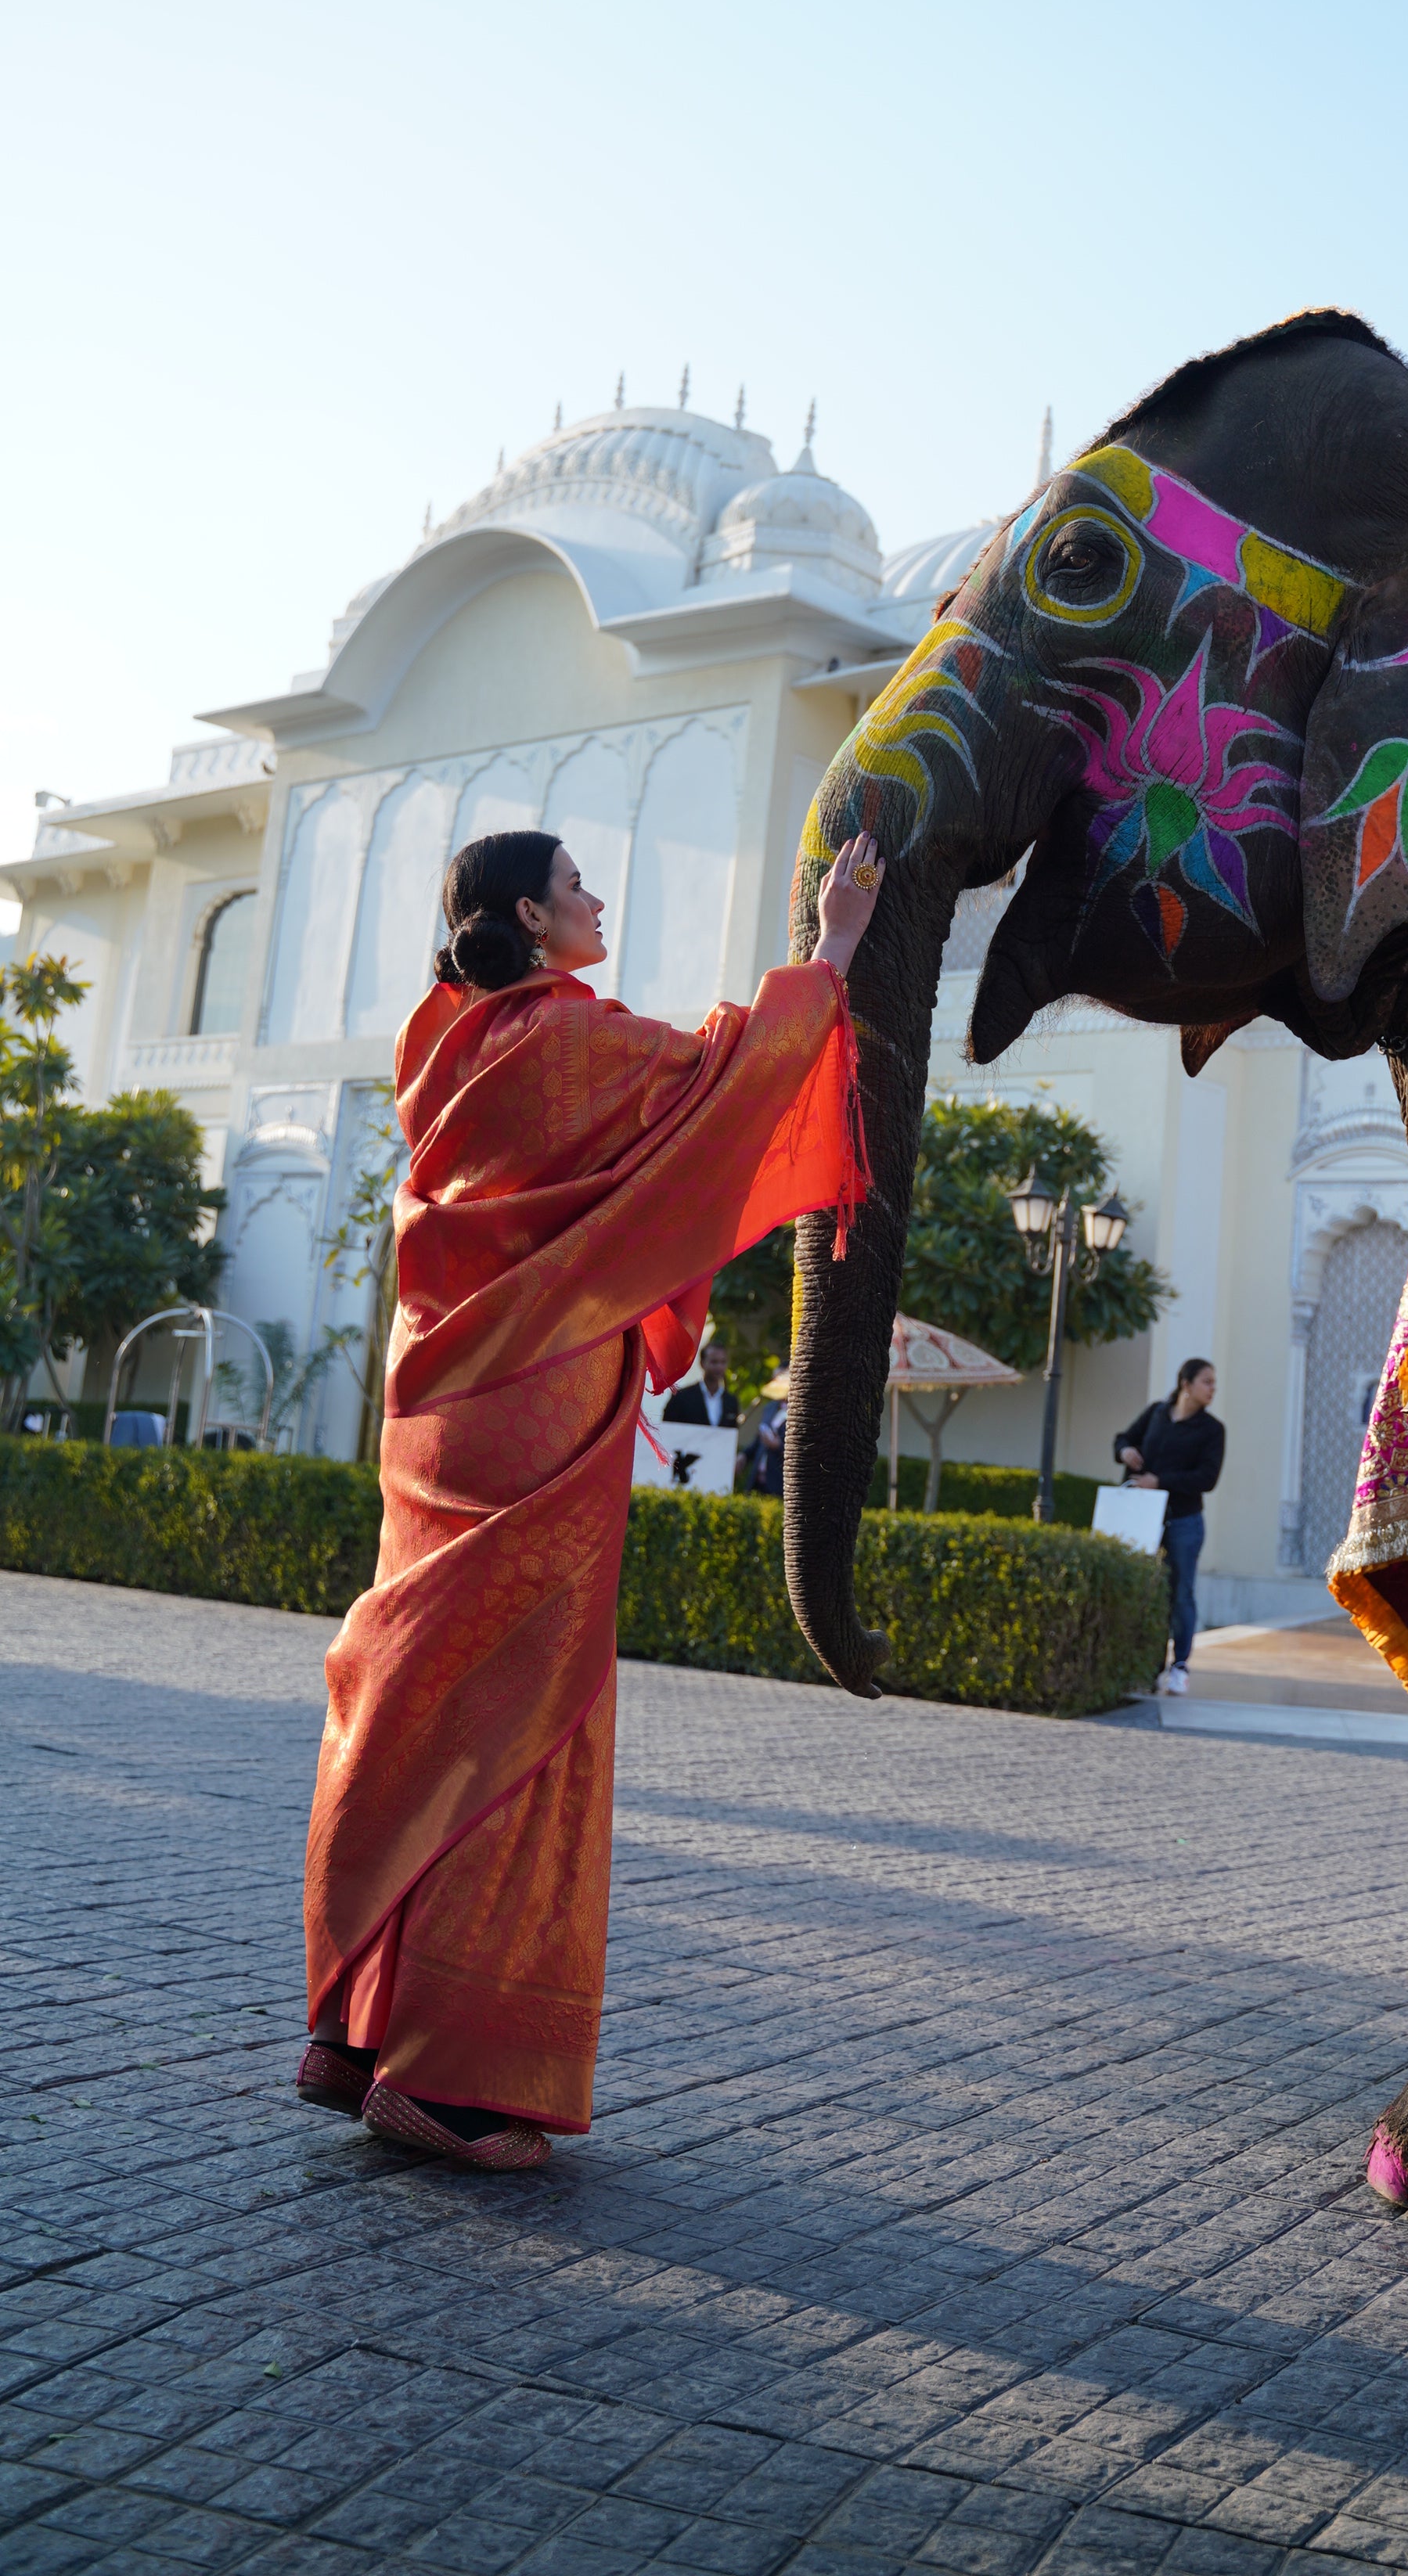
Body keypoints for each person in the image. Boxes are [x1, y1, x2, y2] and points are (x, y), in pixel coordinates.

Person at [297, 822, 882, 2169]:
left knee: (410, 1687)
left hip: (439, 1415)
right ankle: (453, 2080)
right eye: (578, 887)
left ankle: (357, 2029)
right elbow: (725, 1084)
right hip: (540, 1413)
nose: (599, 899)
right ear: (529, 912)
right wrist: (834, 948)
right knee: (523, 1725)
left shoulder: (440, 1049)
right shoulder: (564, 1040)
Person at [1115, 1358, 1223, 1695]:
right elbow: (1123, 1438)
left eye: (1213, 1383)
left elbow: (1207, 1478)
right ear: (1186, 1384)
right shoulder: (1157, 1413)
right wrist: (1126, 1452)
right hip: (1145, 1517)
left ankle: (1180, 1666)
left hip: (1183, 1521)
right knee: (1147, 1591)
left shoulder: (1212, 1430)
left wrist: (1159, 1481)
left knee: (1181, 1594)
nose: (1212, 1388)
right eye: (1206, 1381)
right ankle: (1147, 1667)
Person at [662, 1340, 739, 1486]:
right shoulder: (682, 1397)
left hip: (717, 1469)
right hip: (685, 1471)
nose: (719, 1367)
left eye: (723, 1362)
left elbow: (731, 1435)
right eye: (714, 1362)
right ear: (702, 1363)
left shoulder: (731, 1402)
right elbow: (668, 1431)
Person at [747, 1391, 787, 1497]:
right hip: (757, 1483)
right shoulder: (770, 1407)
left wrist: (779, 1446)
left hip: (779, 1484)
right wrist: (744, 1455)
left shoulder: (802, 1408)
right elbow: (758, 1442)